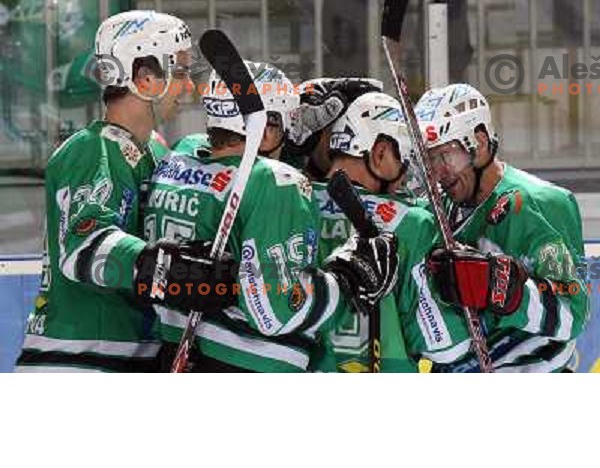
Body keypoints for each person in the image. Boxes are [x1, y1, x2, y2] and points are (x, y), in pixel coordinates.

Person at [16, 10, 232, 372]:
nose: (189, 88)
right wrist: (169, 268)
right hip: (76, 361)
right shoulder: (90, 149)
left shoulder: (158, 152)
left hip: (128, 356)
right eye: (179, 72)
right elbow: (84, 245)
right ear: (145, 79)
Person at [145, 64, 398, 372]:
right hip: (248, 364)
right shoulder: (279, 183)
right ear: (266, 128)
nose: (294, 137)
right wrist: (345, 282)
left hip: (175, 351)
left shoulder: (176, 161)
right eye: (289, 124)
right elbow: (274, 312)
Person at [415, 82, 590, 372]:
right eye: (429, 159)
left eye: (444, 155)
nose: (437, 172)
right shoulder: (438, 207)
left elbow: (573, 313)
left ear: (480, 144)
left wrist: (508, 293)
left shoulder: (538, 203)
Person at [310, 91, 472, 372]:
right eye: (405, 159)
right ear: (380, 152)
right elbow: (445, 345)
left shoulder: (291, 198)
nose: (406, 175)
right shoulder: (412, 223)